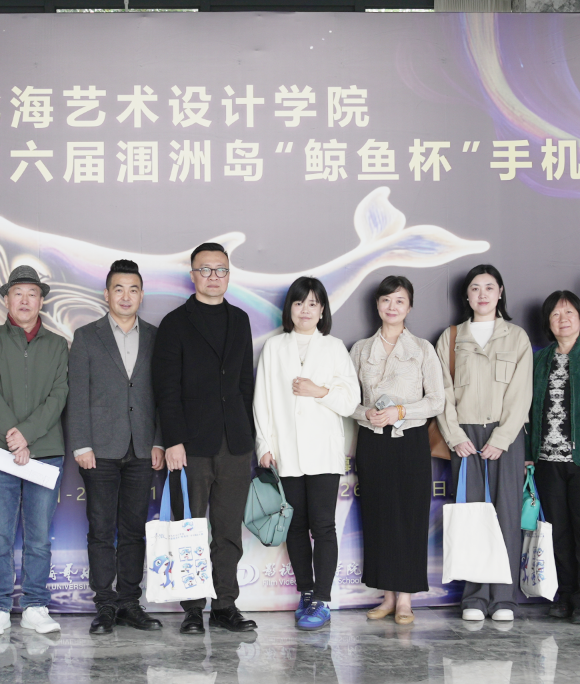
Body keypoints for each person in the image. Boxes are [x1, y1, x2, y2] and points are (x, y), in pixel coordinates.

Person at [151, 241, 260, 636]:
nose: (214, 276)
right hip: (191, 446)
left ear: (228, 274)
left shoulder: (240, 320)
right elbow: (166, 389)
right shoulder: (175, 323)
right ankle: (193, 609)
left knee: (228, 531)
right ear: (193, 275)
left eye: (221, 270)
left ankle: (226, 605)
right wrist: (173, 440)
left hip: (235, 443)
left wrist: (249, 436)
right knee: (190, 530)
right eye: (206, 270)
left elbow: (245, 383)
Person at [254, 275, 360, 632]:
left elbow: (350, 401)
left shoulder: (334, 348)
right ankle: (307, 593)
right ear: (290, 309)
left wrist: (319, 391)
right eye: (299, 303)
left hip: (323, 452)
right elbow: (262, 400)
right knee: (295, 526)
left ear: (322, 310)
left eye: (312, 303)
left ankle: (323, 601)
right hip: (285, 452)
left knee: (324, 525)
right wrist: (265, 445)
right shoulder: (274, 348)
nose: (305, 310)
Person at [67, 260, 164, 635]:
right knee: (101, 530)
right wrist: (81, 444)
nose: (126, 296)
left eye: (133, 289)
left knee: (135, 529)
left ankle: (129, 602)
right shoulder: (86, 336)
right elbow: (78, 395)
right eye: (118, 289)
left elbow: (164, 395)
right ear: (106, 294)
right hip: (99, 449)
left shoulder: (156, 336)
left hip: (142, 447)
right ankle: (105, 604)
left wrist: (159, 440)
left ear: (141, 295)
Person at [0, 263, 71, 637]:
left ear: (41, 300)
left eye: (32, 294)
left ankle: (35, 605)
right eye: (18, 293)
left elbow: (58, 395)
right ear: (6, 299)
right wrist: (12, 437)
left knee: (38, 537)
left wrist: (26, 435)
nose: (25, 300)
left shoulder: (57, 345)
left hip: (45, 452)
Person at [435, 263, 535, 623]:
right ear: (466, 295)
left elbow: (521, 393)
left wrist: (503, 438)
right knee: (472, 515)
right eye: (475, 287)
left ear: (500, 292)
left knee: (506, 513)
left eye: (489, 287)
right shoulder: (451, 338)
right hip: (465, 438)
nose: (482, 294)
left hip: (505, 437)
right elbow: (442, 392)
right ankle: (475, 597)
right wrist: (455, 436)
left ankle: (504, 598)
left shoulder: (516, 337)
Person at [349, 274, 444, 625]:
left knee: (409, 518)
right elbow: (348, 401)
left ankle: (405, 600)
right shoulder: (360, 350)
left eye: (399, 300)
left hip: (410, 444)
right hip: (373, 443)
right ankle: (386, 598)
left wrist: (401, 412)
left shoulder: (422, 349)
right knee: (378, 518)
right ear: (377, 304)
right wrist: (366, 413)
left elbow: (437, 401)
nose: (392, 306)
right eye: (386, 300)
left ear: (409, 307)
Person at [524, 290, 580, 623]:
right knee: (558, 531)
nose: (562, 320)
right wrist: (529, 453)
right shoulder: (539, 360)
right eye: (555, 314)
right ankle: (564, 594)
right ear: (548, 323)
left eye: (569, 313)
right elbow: (528, 410)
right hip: (547, 462)